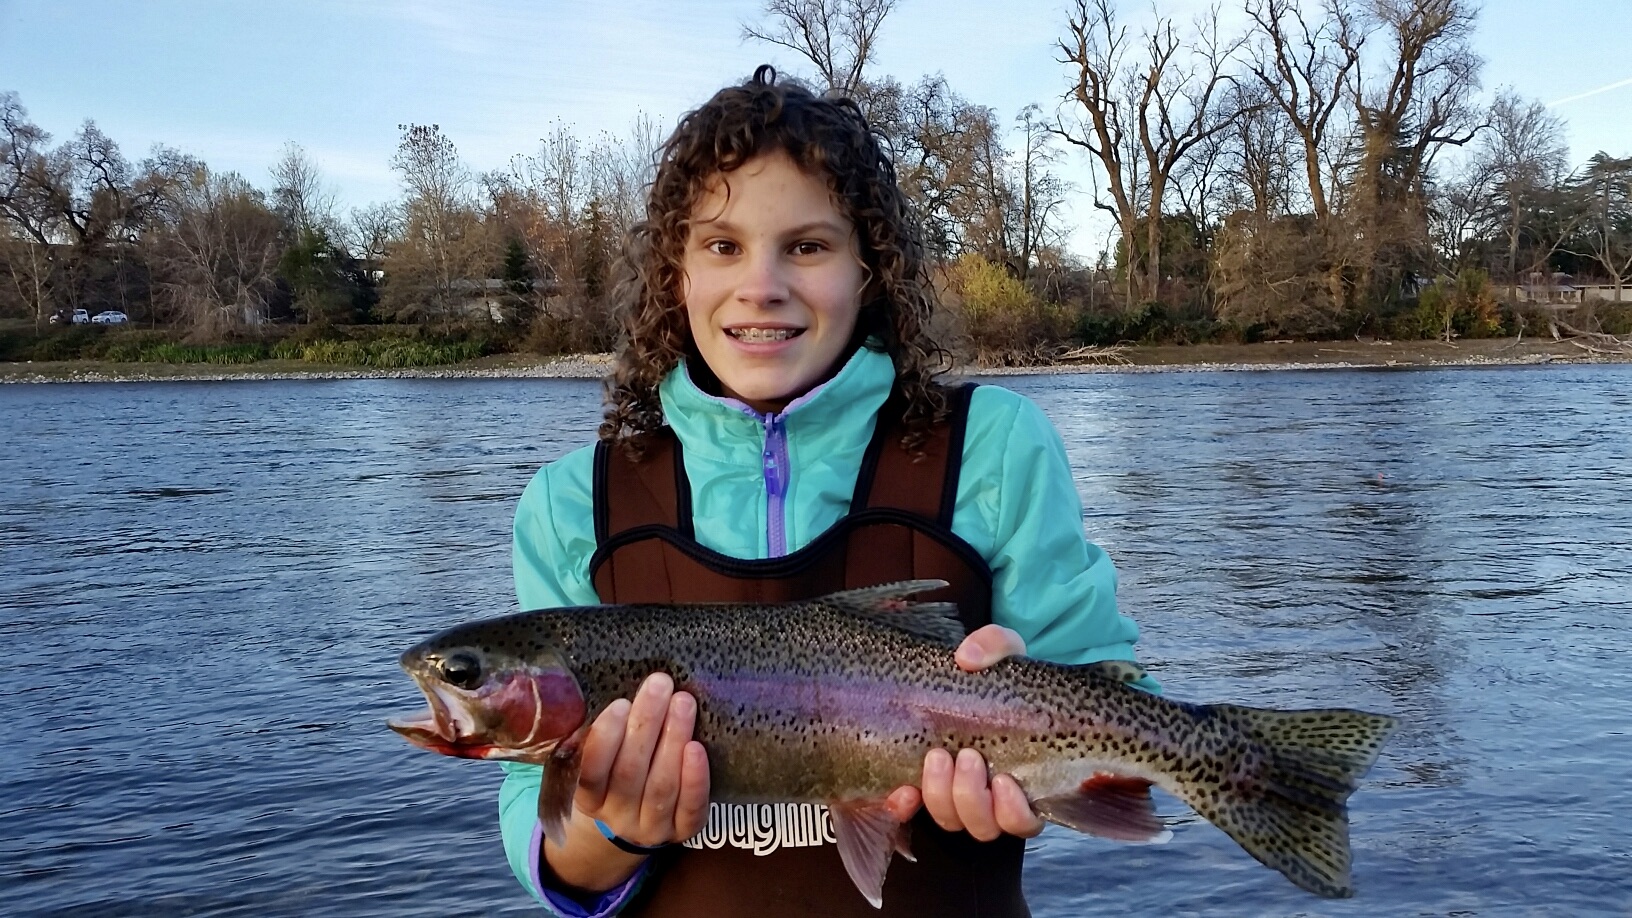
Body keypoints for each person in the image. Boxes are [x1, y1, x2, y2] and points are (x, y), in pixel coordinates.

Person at [499, 66, 1152, 917]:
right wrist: (612, 831)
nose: (761, 284)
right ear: (677, 275)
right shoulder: (571, 506)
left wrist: (1037, 744)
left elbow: (1124, 709)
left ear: (869, 270)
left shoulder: (993, 447)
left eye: (806, 246)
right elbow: (535, 828)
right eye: (722, 246)